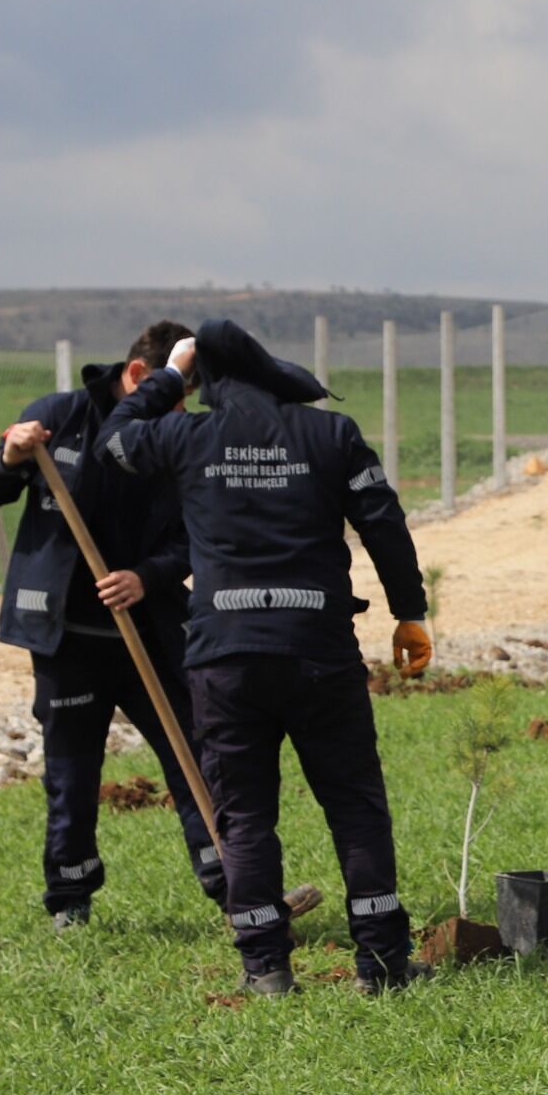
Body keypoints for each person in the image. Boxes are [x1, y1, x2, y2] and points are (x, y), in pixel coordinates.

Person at [102, 319, 432, 997]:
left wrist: (169, 374)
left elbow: (114, 440)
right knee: (355, 806)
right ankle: (383, 964)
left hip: (225, 657)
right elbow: (385, 524)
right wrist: (409, 612)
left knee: (245, 815)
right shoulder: (330, 435)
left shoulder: (187, 435)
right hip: (318, 650)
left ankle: (266, 969)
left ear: (205, 381)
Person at [0, 321, 278, 929]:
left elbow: (197, 535)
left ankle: (231, 886)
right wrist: (9, 455)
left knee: (196, 753)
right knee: (73, 774)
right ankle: (70, 899)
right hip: (68, 640)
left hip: (150, 634)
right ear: (140, 376)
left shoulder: (176, 436)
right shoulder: (58, 417)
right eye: (179, 392)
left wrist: (146, 576)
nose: (181, 408)